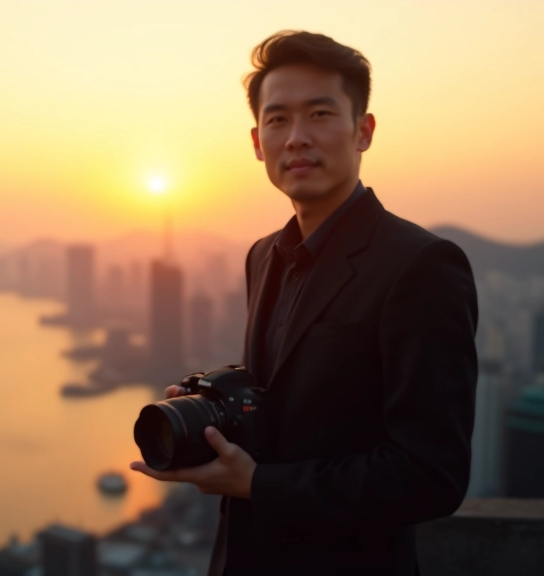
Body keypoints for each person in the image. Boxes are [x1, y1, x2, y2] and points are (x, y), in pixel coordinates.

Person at [131, 30, 478, 575]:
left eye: (319, 115)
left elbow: (431, 475)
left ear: (363, 131)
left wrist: (258, 484)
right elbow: (287, 404)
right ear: (256, 142)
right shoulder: (262, 255)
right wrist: (218, 418)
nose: (296, 138)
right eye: (278, 120)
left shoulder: (420, 265)